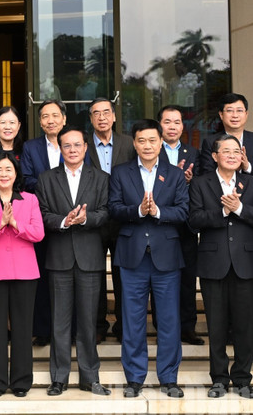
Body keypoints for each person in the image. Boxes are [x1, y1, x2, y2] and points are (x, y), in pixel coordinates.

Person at [108, 119, 188, 398]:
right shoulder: (120, 173)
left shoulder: (175, 175)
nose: (147, 145)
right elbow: (114, 209)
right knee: (132, 321)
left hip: (166, 257)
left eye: (152, 140)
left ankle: (169, 378)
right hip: (132, 257)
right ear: (134, 143)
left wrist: (157, 212)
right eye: (141, 140)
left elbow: (183, 212)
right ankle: (134, 378)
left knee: (168, 321)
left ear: (160, 141)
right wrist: (139, 210)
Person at [35, 126, 111, 397]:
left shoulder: (101, 177)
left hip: (90, 257)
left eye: (77, 145)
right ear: (60, 148)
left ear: (86, 147)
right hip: (59, 258)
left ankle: (90, 377)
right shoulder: (46, 179)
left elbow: (105, 212)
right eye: (67, 145)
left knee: (89, 321)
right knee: (60, 322)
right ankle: (59, 377)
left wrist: (87, 219)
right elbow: (42, 214)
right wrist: (65, 221)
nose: (73, 150)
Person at [0, 152, 44, 398]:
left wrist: (15, 224)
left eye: (8, 169)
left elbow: (38, 234)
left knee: (23, 328)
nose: (3, 174)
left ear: (16, 174)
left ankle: (22, 381)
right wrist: (0, 223)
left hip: (25, 271)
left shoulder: (30, 200)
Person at [189, 134, 253, 399]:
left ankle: (242, 379)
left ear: (242, 156)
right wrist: (223, 213)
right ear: (214, 156)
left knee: (245, 325)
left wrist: (239, 208)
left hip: (246, 262)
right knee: (215, 325)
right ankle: (218, 379)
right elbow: (193, 220)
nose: (231, 155)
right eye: (225, 151)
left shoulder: (250, 182)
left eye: (236, 151)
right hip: (213, 263)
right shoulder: (200, 184)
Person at [21, 99, 71, 347]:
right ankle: (42, 329)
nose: (50, 120)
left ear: (64, 118)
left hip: (70, 219)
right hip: (39, 218)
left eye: (54, 115)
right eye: (44, 116)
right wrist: (52, 186)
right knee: (41, 276)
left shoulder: (74, 143)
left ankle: (69, 330)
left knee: (66, 277)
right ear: (40, 122)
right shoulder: (31, 147)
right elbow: (27, 179)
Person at [86, 97, 136, 343]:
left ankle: (123, 325)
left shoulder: (129, 144)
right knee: (94, 275)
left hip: (122, 218)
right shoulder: (81, 144)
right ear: (91, 118)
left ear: (114, 116)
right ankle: (98, 325)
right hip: (93, 218)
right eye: (96, 113)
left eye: (106, 112)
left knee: (122, 274)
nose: (102, 117)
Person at [156, 105, 202, 346]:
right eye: (167, 122)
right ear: (159, 126)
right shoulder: (151, 150)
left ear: (182, 127)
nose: (172, 126)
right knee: (161, 277)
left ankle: (188, 327)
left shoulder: (193, 153)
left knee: (186, 278)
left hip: (185, 225)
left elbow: (205, 184)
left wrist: (190, 181)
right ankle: (162, 326)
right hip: (160, 225)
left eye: (176, 122)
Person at [199, 93, 253, 174]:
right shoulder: (210, 142)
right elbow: (207, 175)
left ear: (246, 114)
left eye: (239, 110)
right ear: (221, 115)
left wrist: (247, 167)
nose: (235, 115)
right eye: (230, 111)